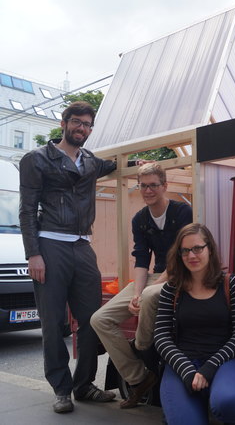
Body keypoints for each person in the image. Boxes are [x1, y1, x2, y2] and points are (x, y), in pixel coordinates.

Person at [19, 101, 118, 413]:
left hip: (82, 246)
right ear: (64, 124)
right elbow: (26, 210)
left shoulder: (90, 161)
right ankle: (61, 389)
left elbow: (110, 165)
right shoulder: (36, 159)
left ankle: (84, 385)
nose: (82, 129)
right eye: (77, 122)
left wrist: (138, 162)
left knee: (92, 320)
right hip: (50, 246)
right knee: (53, 322)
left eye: (88, 124)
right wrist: (33, 254)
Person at [91, 162, 192, 408]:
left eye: (153, 185)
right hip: (152, 276)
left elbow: (182, 254)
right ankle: (140, 378)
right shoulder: (140, 219)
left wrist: (147, 289)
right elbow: (142, 258)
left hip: (180, 274)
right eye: (143, 186)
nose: (147, 191)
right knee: (100, 319)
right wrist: (137, 293)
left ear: (164, 186)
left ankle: (142, 345)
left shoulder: (182, 212)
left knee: (149, 295)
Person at [154, 223, 235, 425]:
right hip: (182, 363)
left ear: (210, 249)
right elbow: (161, 337)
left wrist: (209, 368)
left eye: (198, 248)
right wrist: (187, 371)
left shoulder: (232, 284)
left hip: (226, 361)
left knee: (230, 403)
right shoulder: (171, 290)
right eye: (185, 250)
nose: (192, 255)